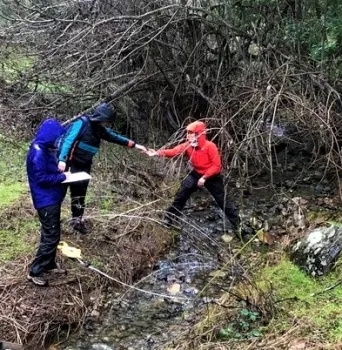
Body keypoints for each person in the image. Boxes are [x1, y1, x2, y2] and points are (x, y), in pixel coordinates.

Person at [146, 121, 248, 239]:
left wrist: (204, 178)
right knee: (182, 192)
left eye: (191, 133)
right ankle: (169, 217)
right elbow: (174, 151)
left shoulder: (210, 147)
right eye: (188, 133)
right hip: (196, 174)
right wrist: (158, 153)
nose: (189, 136)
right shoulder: (189, 145)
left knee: (222, 201)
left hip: (212, 176)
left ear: (199, 134)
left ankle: (239, 227)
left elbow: (217, 166)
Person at [57, 102, 147, 234]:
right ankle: (53, 219)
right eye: (106, 121)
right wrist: (62, 159)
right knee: (60, 193)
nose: (107, 124)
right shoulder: (82, 123)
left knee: (80, 194)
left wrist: (135, 145)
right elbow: (68, 140)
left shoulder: (101, 130)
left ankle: (77, 221)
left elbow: (116, 138)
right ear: (100, 118)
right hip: (69, 164)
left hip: (84, 165)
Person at [26, 119, 70, 286]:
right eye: (57, 137)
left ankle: (49, 264)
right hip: (45, 200)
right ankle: (35, 271)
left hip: (52, 197)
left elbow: (48, 170)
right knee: (50, 236)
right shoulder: (37, 152)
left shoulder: (45, 148)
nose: (59, 140)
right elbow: (41, 179)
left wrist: (60, 170)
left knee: (53, 233)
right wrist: (63, 177)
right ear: (49, 135)